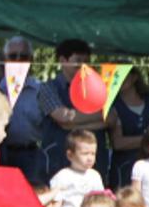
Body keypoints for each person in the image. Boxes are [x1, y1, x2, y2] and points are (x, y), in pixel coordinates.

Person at [39, 38, 108, 179]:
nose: (83, 65)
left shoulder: (97, 85)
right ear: (63, 60)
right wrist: (98, 117)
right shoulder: (49, 87)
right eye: (78, 60)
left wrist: (71, 124)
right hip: (59, 159)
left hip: (94, 162)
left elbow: (110, 117)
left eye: (86, 61)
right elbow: (63, 117)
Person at [0, 36, 47, 185]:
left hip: (30, 154)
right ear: (5, 59)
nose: (18, 61)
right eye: (13, 56)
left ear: (31, 60)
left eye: (23, 56)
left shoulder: (40, 90)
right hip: (0, 153)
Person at [106, 67, 149, 189]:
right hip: (125, 168)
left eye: (122, 76)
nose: (119, 80)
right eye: (115, 77)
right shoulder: (112, 105)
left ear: (134, 77)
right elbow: (118, 143)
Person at [50, 130, 106, 207]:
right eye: (85, 154)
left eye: (93, 154)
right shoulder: (62, 177)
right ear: (70, 155)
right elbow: (56, 206)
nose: (90, 158)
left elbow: (101, 201)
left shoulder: (95, 176)